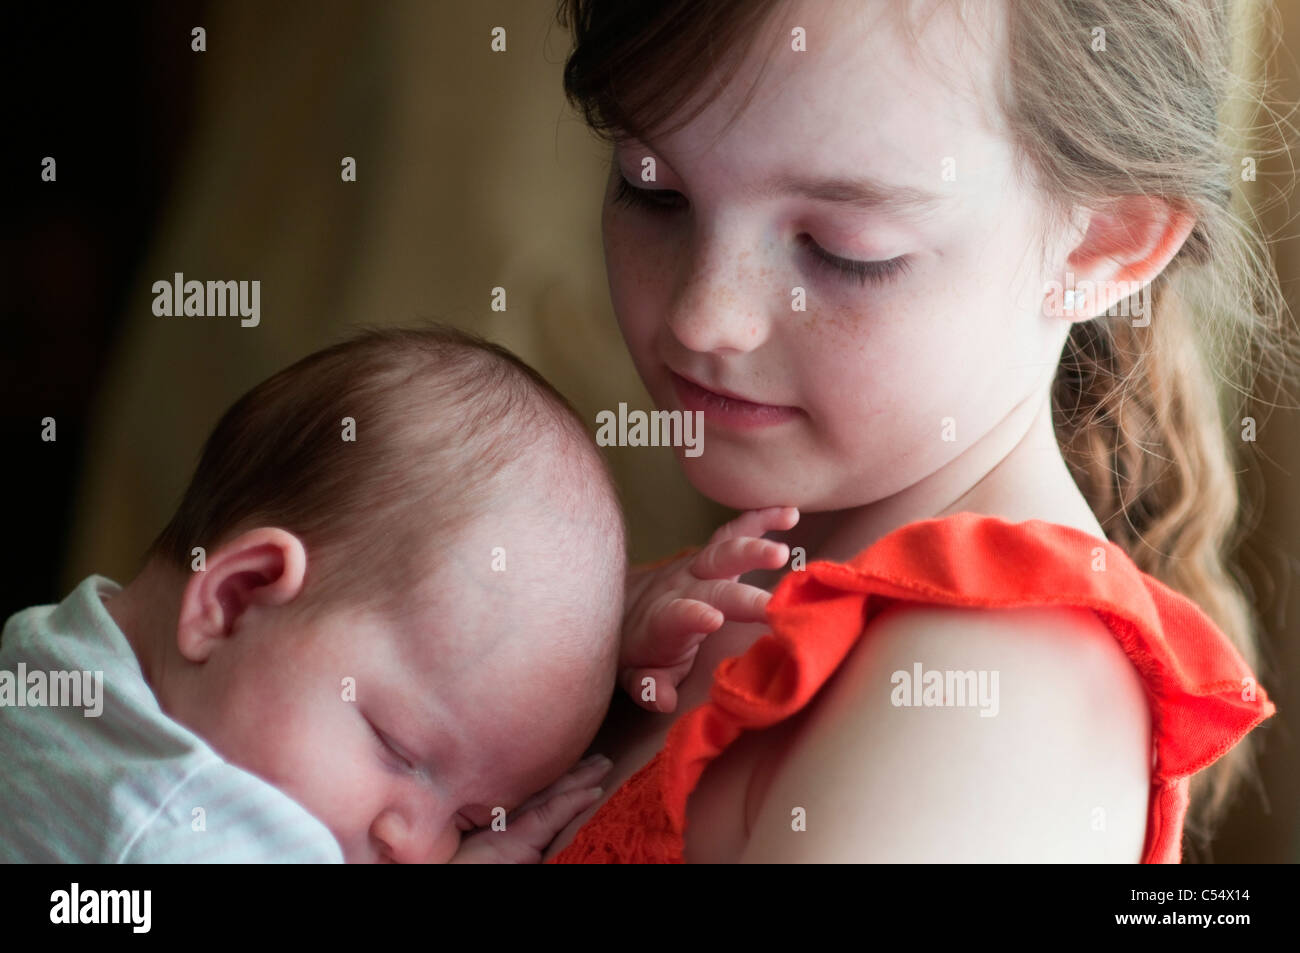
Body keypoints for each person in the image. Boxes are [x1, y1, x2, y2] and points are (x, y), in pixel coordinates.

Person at [543, 0, 1287, 862]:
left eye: (844, 248)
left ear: (1101, 246)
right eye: (652, 190)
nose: (705, 316)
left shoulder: (995, 696)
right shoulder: (703, 596)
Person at [0, 324, 781, 863]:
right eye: (400, 751)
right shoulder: (182, 822)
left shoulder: (53, 662)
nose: (414, 843)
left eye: (470, 821)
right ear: (235, 597)